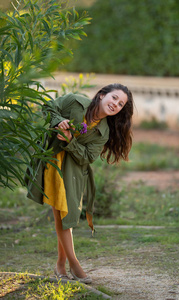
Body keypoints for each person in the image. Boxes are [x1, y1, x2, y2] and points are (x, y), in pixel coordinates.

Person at [25, 83, 134, 284]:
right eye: (114, 98)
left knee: (64, 213)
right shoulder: (74, 102)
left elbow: (87, 158)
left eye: (120, 104)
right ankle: (74, 264)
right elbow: (48, 107)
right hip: (51, 160)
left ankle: (60, 264)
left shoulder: (104, 132)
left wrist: (70, 141)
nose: (116, 105)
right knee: (62, 211)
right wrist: (59, 121)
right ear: (102, 95)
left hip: (73, 171)